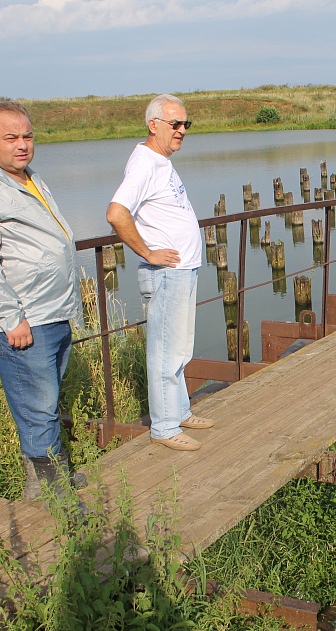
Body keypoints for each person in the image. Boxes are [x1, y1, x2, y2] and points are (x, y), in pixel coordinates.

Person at [0, 101, 85, 502]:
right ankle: (49, 491)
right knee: (36, 405)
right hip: (24, 318)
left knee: (45, 399)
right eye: (11, 137)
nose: (22, 144)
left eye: (27, 136)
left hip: (53, 311)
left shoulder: (28, 178)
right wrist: (12, 319)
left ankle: (47, 481)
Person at [106, 94, 213, 452]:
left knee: (180, 349)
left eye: (186, 124)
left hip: (181, 272)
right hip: (166, 274)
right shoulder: (145, 164)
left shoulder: (161, 161)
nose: (182, 130)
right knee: (166, 351)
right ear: (153, 125)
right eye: (175, 124)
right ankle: (164, 427)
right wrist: (148, 252)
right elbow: (117, 213)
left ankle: (179, 410)